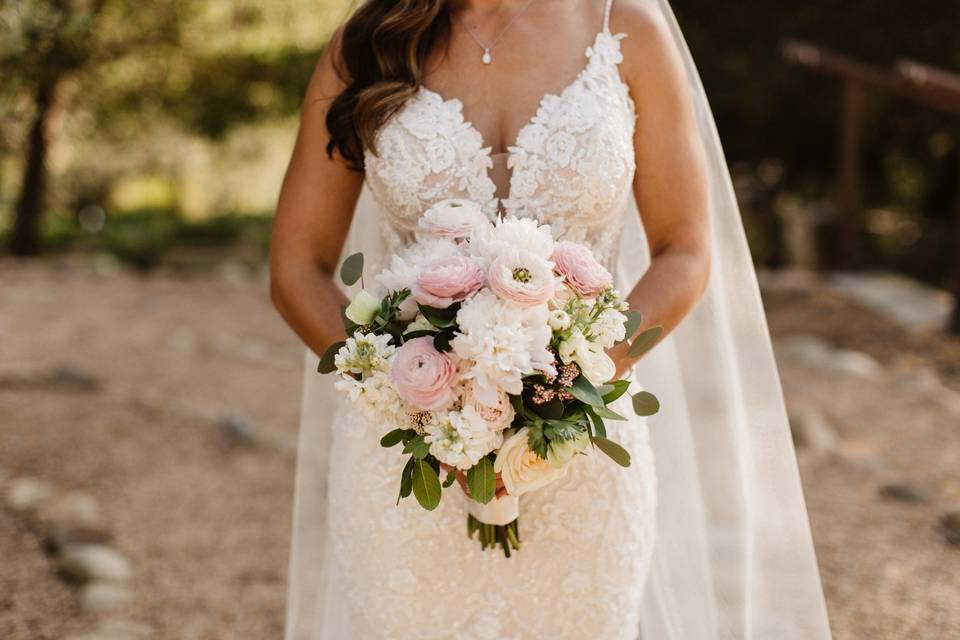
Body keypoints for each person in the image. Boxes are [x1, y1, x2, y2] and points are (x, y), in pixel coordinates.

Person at [270, 1, 832, 638]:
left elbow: (687, 247)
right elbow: (297, 267)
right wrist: (406, 392)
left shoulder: (625, 29)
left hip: (583, 449)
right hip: (407, 455)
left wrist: (576, 380)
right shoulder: (367, 45)